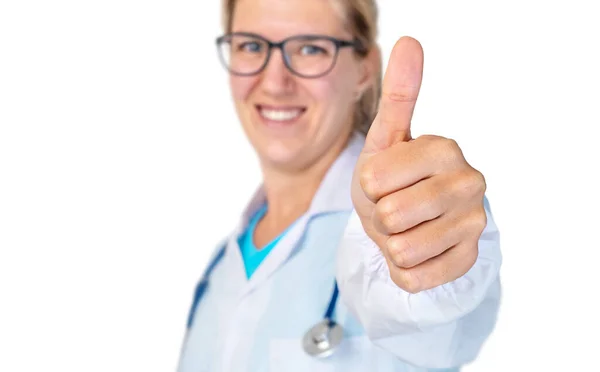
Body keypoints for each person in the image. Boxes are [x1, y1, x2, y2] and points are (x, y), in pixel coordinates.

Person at [177, 0, 502, 370]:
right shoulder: (221, 265)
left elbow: (433, 306)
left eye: (310, 48)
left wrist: (426, 248)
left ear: (364, 69)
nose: (274, 82)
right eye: (251, 46)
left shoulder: (403, 211)